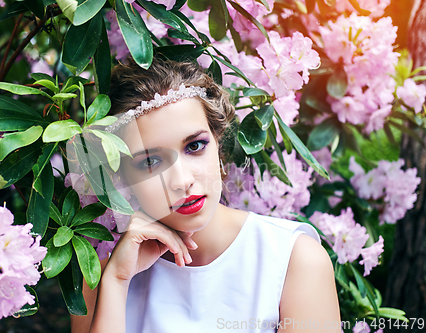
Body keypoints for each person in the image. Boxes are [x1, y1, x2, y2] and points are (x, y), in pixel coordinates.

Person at [70, 57, 341, 333]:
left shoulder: (294, 260)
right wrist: (116, 281)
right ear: (124, 176)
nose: (182, 181)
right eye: (150, 162)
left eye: (195, 146)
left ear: (218, 141)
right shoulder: (100, 272)